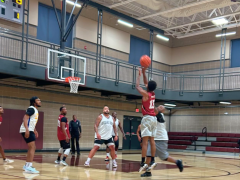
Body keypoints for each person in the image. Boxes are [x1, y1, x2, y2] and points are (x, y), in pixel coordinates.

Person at [141, 105, 184, 177]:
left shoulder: (160, 115)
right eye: (159, 105)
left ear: (163, 111)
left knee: (164, 157)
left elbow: (154, 110)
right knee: (148, 155)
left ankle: (177, 162)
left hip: (161, 139)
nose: (159, 106)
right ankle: (148, 172)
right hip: (154, 139)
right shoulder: (153, 116)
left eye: (161, 107)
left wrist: (149, 103)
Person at [136, 67, 157, 173]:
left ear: (148, 86)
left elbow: (137, 86)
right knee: (152, 140)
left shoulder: (146, 94)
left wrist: (139, 75)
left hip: (147, 118)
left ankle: (143, 163)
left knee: (145, 142)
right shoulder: (153, 94)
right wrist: (144, 72)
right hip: (154, 119)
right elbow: (146, 83)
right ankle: (152, 160)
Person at [20, 97, 41, 174]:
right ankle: (28, 166)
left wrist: (35, 130)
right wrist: (27, 130)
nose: (40, 101)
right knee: (32, 147)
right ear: (34, 102)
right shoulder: (31, 109)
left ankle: (27, 165)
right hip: (27, 130)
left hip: (30, 129)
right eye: (38, 100)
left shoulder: (35, 110)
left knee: (32, 147)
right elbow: (25, 118)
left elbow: (31, 121)